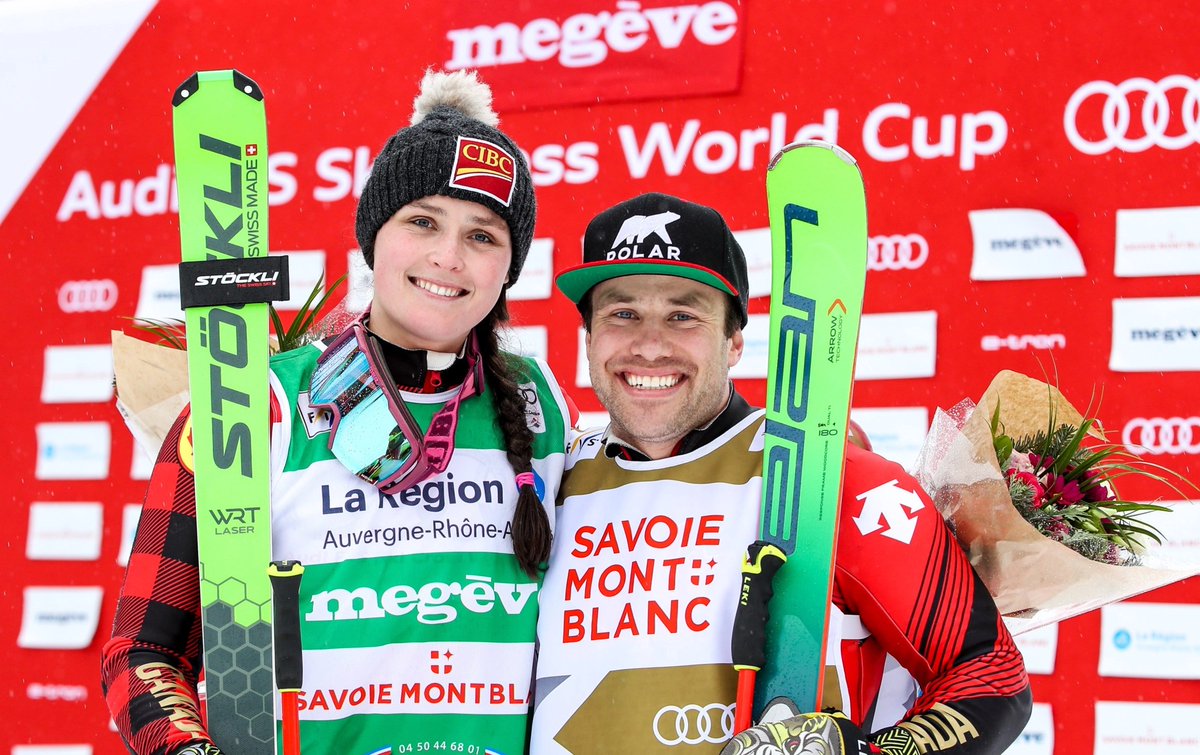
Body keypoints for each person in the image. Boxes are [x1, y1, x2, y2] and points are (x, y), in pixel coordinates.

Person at [101, 70, 574, 755]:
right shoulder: (252, 403)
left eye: (483, 235)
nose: (449, 256)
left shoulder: (540, 408)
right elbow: (143, 649)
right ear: (374, 236)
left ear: (509, 265)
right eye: (423, 221)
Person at [530, 193, 1031, 754]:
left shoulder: (830, 482)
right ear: (589, 339)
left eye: (683, 315)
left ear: (735, 341)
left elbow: (990, 677)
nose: (649, 344)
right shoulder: (546, 490)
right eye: (622, 313)